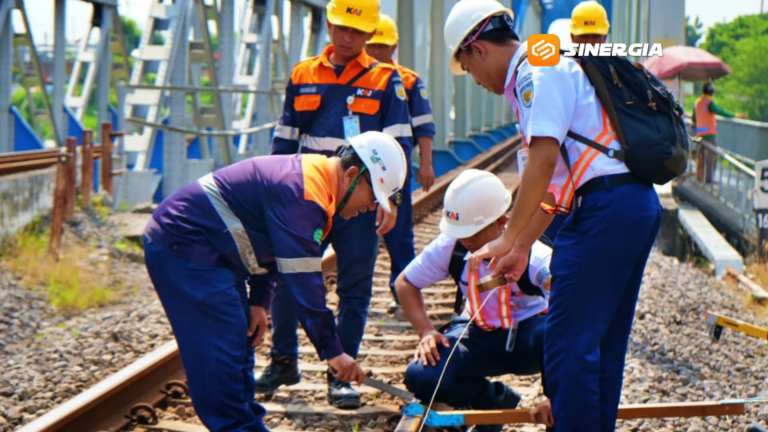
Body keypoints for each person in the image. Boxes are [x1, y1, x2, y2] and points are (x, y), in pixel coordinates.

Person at [443, 1, 663, 431]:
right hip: (629, 204)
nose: (475, 80)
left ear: (479, 49)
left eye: (467, 68)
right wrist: (522, 245)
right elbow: (556, 189)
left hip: (604, 211)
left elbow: (542, 162)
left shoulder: (534, 71)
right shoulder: (549, 64)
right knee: (601, 345)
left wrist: (507, 240)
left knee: (567, 347)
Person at [142, 131, 408, 432]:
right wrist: (333, 352)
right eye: (373, 197)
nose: (372, 207)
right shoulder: (305, 195)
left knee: (239, 347)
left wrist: (259, 301)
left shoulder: (316, 184)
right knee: (221, 353)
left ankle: (246, 424)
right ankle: (237, 426)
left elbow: (271, 249)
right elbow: (304, 284)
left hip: (213, 255)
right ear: (351, 175)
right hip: (185, 248)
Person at [263, 0, 415, 409]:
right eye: (341, 28)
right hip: (308, 194)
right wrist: (274, 195)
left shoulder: (386, 79)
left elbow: (400, 142)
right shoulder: (303, 74)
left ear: (370, 33)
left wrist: (393, 198)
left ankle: (340, 374)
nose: (348, 38)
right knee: (285, 274)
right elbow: (285, 139)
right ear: (329, 24)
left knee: (354, 285)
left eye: (357, 31)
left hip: (359, 199)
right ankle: (282, 360)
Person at [396, 169, 554, 431]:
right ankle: (494, 401)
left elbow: (572, 312)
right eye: (460, 232)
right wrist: (425, 331)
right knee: (420, 376)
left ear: (501, 221)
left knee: (552, 332)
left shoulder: (536, 256)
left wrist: (555, 395)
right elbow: (405, 282)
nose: (466, 239)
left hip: (530, 343)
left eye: (474, 231)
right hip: (479, 334)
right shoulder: (452, 247)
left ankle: (558, 408)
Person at [364, 13, 437, 316]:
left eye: (382, 46)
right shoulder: (358, 78)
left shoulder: (407, 80)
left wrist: (427, 164)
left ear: (394, 46)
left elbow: (423, 125)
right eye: (372, 46)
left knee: (399, 235)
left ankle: (403, 293)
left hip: (395, 173)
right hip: (360, 172)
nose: (376, 52)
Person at [693, 81, 747, 183]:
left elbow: (693, 118)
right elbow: (721, 111)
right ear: (712, 91)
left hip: (700, 134)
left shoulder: (697, 102)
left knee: (700, 157)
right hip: (709, 135)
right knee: (710, 158)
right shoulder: (709, 102)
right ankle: (708, 180)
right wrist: (735, 115)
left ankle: (699, 178)